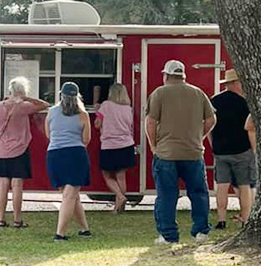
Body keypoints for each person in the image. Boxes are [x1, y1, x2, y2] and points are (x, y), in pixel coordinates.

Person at [145, 60, 216, 244]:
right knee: (199, 193)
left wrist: (153, 145)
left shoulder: (159, 93)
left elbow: (150, 122)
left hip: (166, 154)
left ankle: (169, 235)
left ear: (166, 75)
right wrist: (199, 136)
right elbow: (211, 119)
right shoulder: (197, 93)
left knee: (167, 195)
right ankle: (201, 231)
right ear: (183, 75)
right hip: (193, 153)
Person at [0, 77, 49, 228]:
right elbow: (45, 105)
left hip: (1, 150)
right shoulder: (23, 106)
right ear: (21, 91)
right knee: (17, 185)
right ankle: (17, 219)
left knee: (3, 183)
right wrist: (26, 98)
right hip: (19, 149)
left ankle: (0, 219)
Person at [45, 82, 92, 242]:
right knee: (70, 196)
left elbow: (48, 135)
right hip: (75, 155)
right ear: (77, 96)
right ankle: (60, 234)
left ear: (61, 95)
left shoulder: (51, 112)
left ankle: (85, 229)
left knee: (71, 195)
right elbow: (86, 139)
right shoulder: (83, 115)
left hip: (54, 155)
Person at [209, 69, 253, 229]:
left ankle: (221, 220)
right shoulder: (245, 103)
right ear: (235, 83)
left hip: (221, 151)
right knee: (244, 185)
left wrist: (213, 144)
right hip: (242, 150)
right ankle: (246, 219)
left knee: (222, 185)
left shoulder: (214, 101)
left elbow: (209, 126)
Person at [94, 83, 135, 213]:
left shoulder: (105, 105)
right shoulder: (128, 108)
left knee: (107, 175)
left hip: (109, 145)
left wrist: (97, 110)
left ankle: (120, 196)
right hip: (126, 144)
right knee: (121, 176)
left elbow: (97, 124)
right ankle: (119, 207)